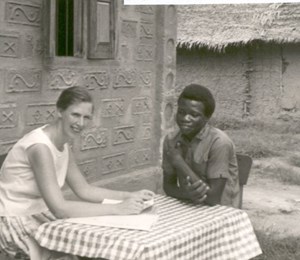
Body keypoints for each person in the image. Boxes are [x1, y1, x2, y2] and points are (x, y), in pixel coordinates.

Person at [0, 86, 154, 260]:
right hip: (15, 222)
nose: (80, 123)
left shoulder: (63, 144)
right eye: (75, 115)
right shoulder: (40, 148)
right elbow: (60, 209)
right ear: (60, 111)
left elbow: (84, 190)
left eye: (86, 117)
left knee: (93, 247)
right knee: (76, 254)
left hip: (38, 215)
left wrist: (128, 196)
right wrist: (117, 208)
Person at [162, 84, 240, 208]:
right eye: (181, 112)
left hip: (221, 211)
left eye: (194, 115)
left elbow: (213, 198)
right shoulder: (171, 140)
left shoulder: (219, 142)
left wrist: (178, 161)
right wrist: (188, 195)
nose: (185, 118)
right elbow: (168, 187)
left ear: (206, 118)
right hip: (188, 206)